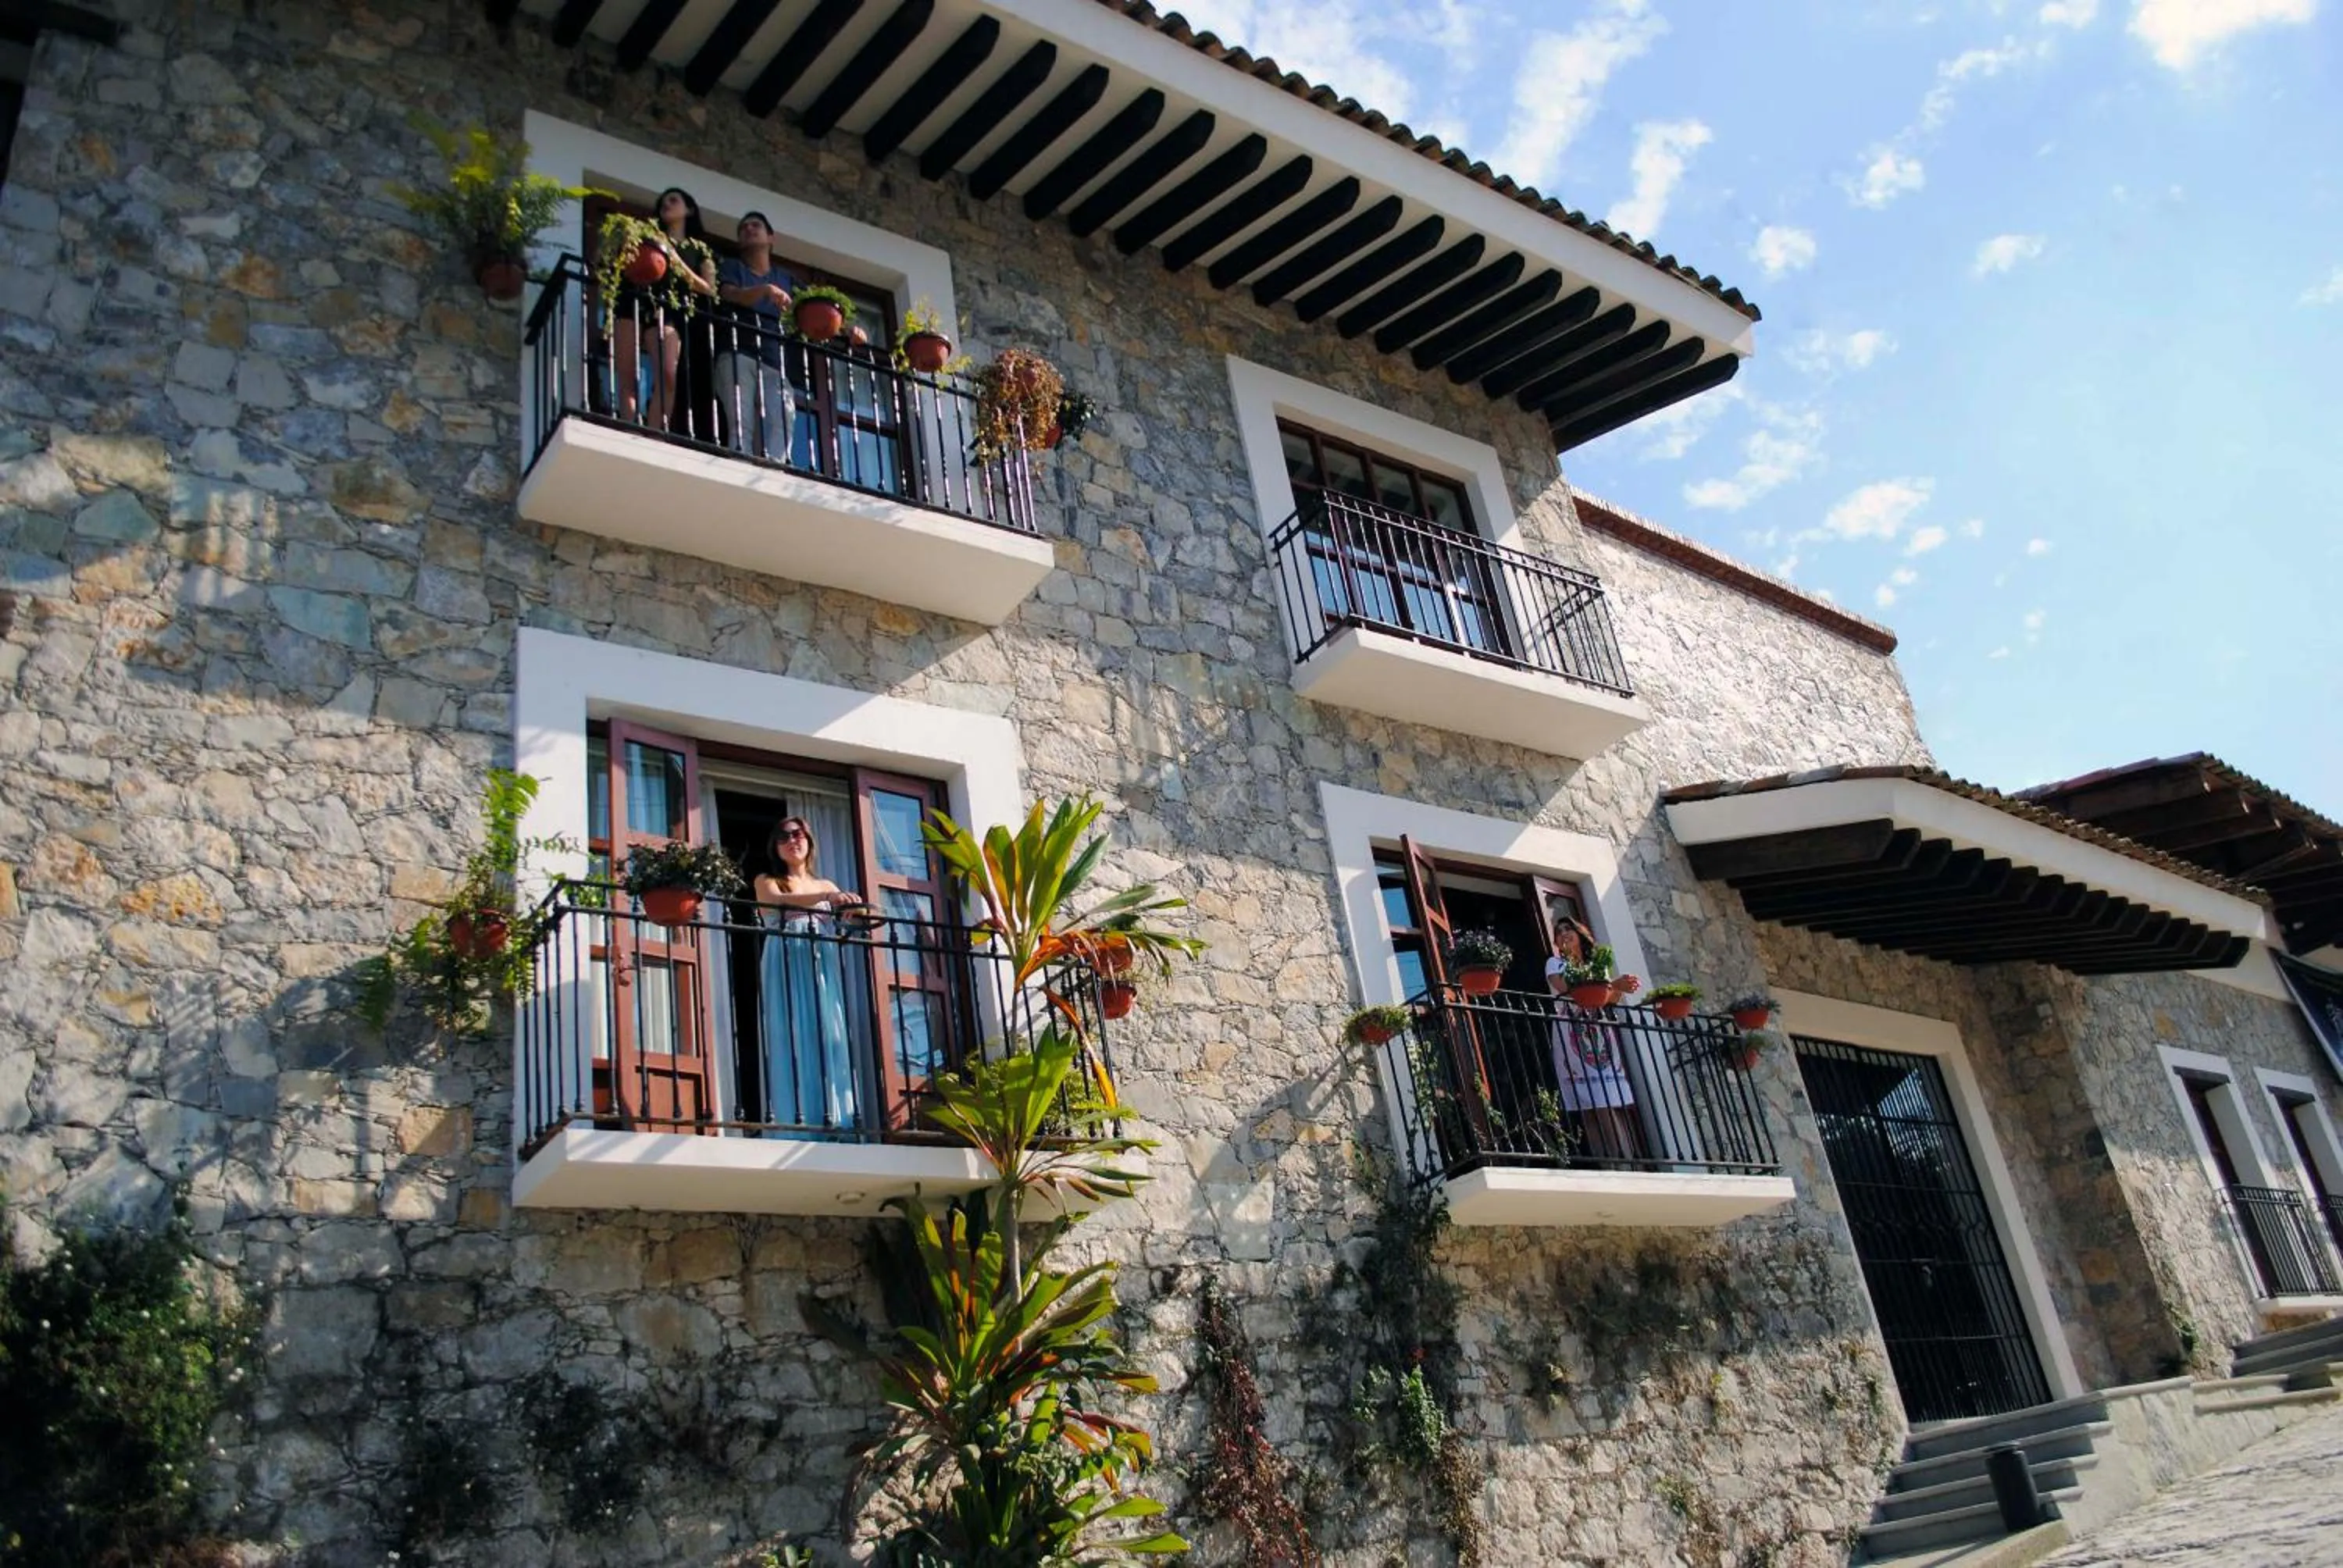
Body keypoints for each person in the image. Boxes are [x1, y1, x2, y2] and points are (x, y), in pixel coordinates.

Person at [753, 816, 865, 1135]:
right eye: (783, 836)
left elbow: (850, 923)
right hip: (786, 957)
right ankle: (795, 1123)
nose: (792, 840)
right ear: (775, 847)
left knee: (828, 1032)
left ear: (809, 841)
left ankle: (837, 1122)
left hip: (820, 962)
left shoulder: (826, 885)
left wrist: (856, 909)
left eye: (798, 834)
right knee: (789, 1032)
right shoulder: (767, 880)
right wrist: (827, 899)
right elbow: (775, 902)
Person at [611, 187, 718, 436]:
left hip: (668, 312)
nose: (666, 205)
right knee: (627, 375)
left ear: (689, 209)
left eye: (673, 200)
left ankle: (654, 432)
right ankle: (630, 428)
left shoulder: (700, 250)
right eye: (663, 202)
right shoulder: (647, 236)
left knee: (669, 375)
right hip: (633, 302)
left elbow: (710, 289)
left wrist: (675, 260)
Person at [1546, 918, 1639, 1164]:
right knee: (1587, 1106)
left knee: (1607, 1101)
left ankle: (1625, 1163)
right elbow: (1567, 990)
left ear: (1580, 934)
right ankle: (1607, 1164)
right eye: (1559, 932)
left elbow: (1610, 999)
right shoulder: (1555, 964)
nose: (1563, 934)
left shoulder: (1597, 967)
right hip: (1572, 1034)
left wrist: (1619, 988)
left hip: (1599, 1033)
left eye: (1568, 929)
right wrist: (1613, 985)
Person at [715, 211, 797, 464]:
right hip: (737, 351)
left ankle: (776, 469)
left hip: (774, 359)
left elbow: (812, 306)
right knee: (741, 421)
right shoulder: (732, 267)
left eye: (756, 226)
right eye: (743, 228)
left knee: (783, 416)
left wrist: (847, 328)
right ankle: (741, 464)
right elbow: (729, 294)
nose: (749, 229)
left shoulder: (786, 278)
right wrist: (764, 291)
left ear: (771, 238)